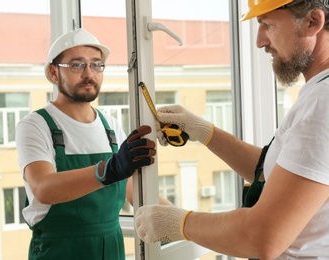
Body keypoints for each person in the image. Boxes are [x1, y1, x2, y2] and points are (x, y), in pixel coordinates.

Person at [135, 0, 329, 259]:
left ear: (312, 22)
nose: (260, 41)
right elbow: (278, 174)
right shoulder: (318, 94)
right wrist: (205, 132)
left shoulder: (321, 105)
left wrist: (182, 224)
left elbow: (263, 236)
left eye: (267, 25)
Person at [16, 28, 156, 259]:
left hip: (111, 249)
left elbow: (135, 193)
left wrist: (187, 220)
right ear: (53, 73)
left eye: (96, 65)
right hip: (60, 250)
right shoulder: (35, 125)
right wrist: (108, 170)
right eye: (77, 65)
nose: (89, 74)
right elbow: (44, 189)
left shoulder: (110, 127)